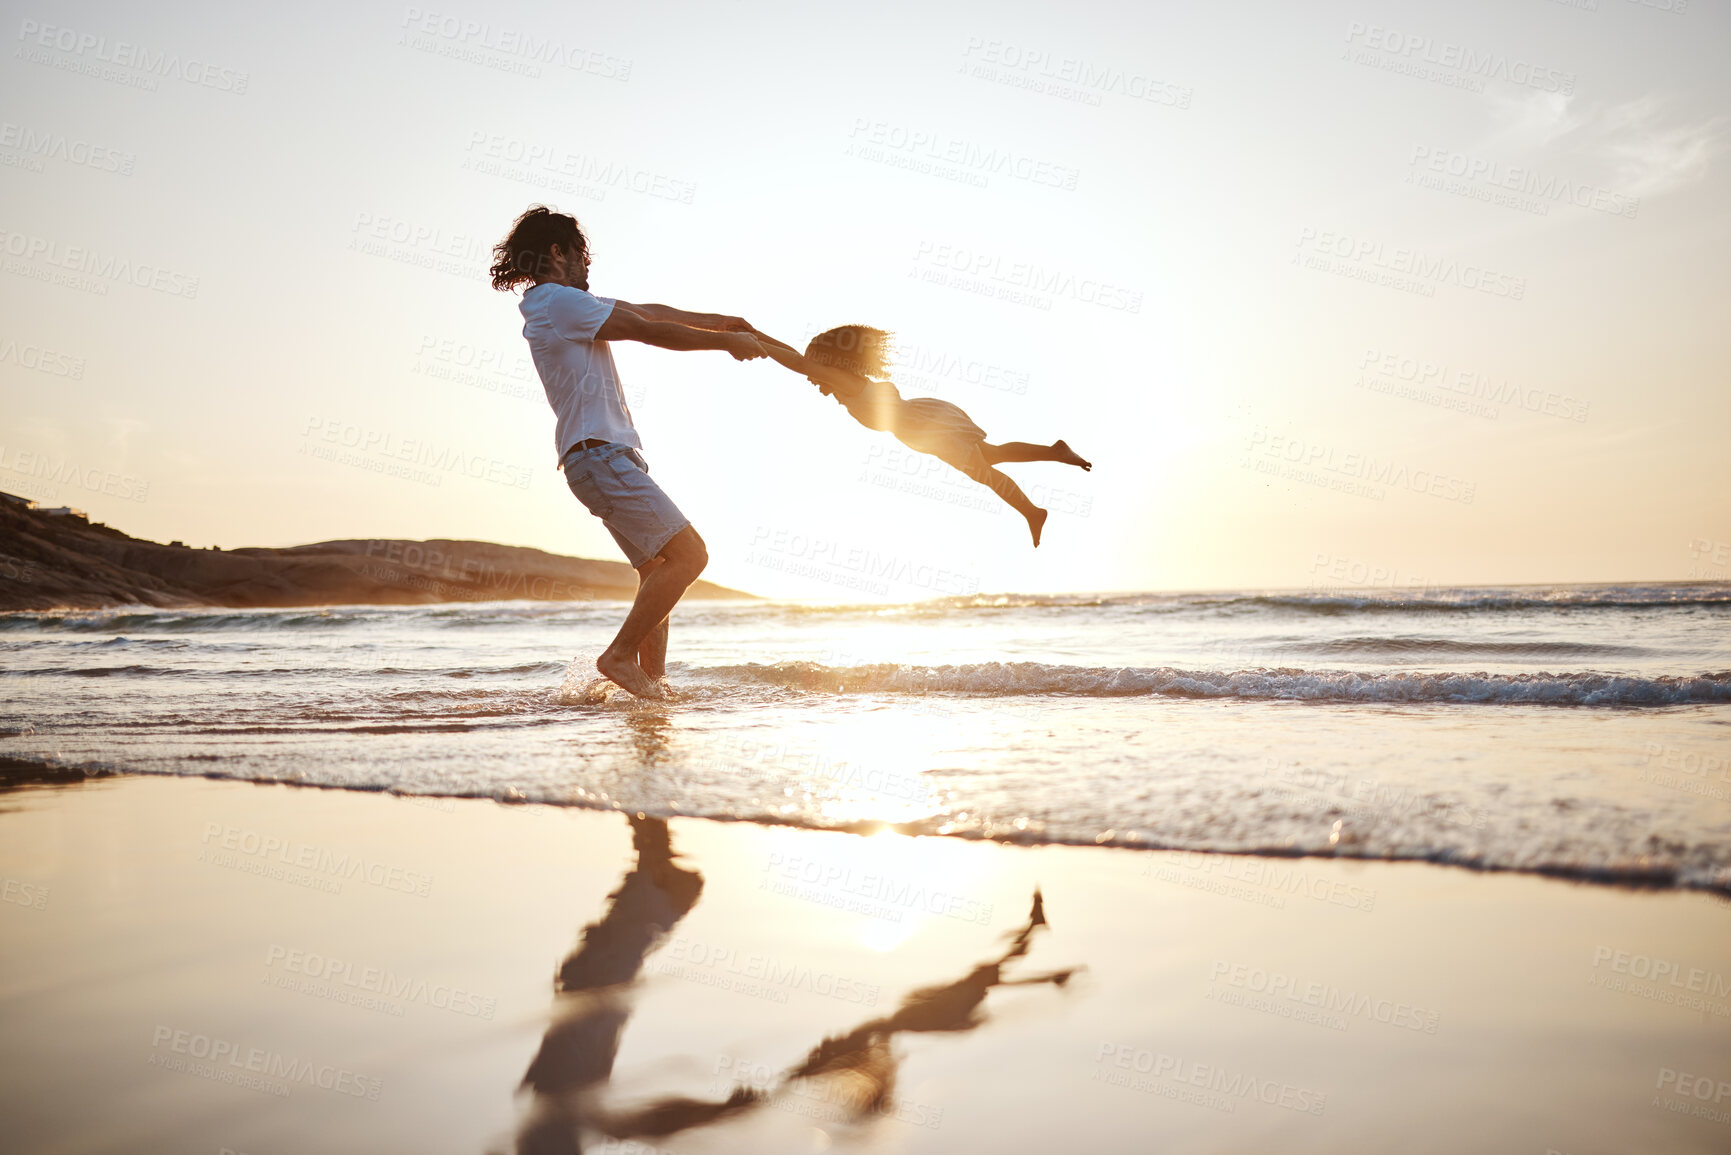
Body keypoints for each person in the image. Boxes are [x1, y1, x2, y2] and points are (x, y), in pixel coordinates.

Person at [490, 205, 767, 699]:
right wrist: (725, 342)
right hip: (600, 456)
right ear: (558, 253)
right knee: (690, 555)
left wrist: (723, 322)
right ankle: (618, 657)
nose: (588, 265)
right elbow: (650, 331)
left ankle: (651, 688)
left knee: (658, 572)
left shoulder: (558, 304)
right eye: (582, 254)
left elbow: (652, 313)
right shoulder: (560, 302)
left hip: (598, 459)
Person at [754, 325, 1091, 546]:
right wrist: (754, 334)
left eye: (818, 370)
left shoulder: (846, 382)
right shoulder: (849, 384)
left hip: (925, 427)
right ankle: (1054, 453)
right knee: (991, 454)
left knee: (984, 472)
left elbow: (799, 365)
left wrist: (755, 343)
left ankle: (1033, 511)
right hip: (925, 419)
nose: (813, 379)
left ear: (831, 365)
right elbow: (800, 361)